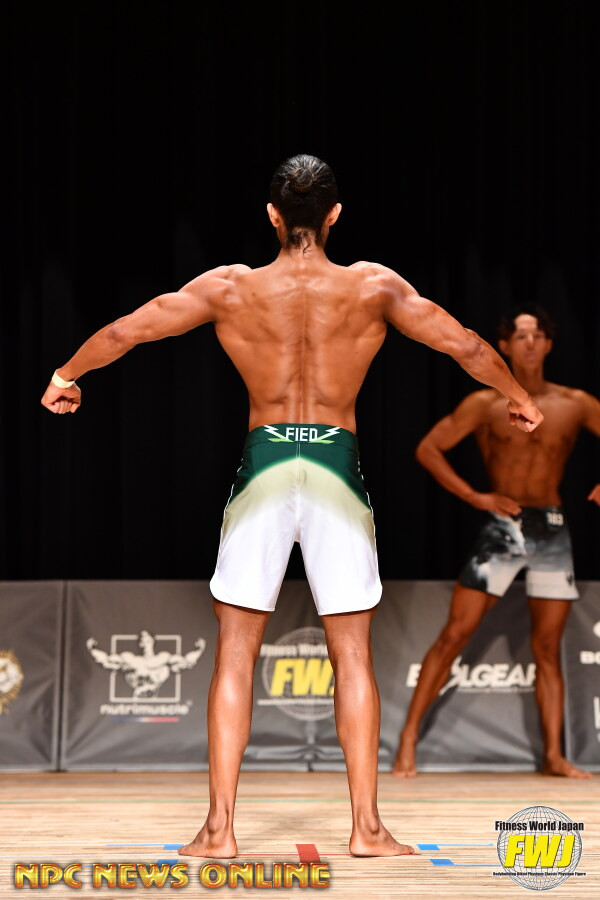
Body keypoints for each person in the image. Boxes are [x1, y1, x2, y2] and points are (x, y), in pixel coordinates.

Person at [41, 154, 542, 857]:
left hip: (267, 467)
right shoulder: (373, 286)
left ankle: (219, 831)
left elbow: (130, 329)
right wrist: (518, 396)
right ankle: (367, 830)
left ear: (272, 216)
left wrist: (66, 374)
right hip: (335, 466)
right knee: (353, 655)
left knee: (236, 653)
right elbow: (462, 343)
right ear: (335, 215)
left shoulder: (229, 288)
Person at [393, 305, 600, 780]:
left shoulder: (575, 403)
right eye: (520, 336)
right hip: (501, 527)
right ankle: (407, 741)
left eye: (537, 335)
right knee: (455, 634)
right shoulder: (484, 404)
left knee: (547, 648)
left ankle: (553, 756)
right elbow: (428, 448)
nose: (529, 343)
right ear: (503, 346)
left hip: (550, 528)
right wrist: (475, 496)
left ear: (549, 344)